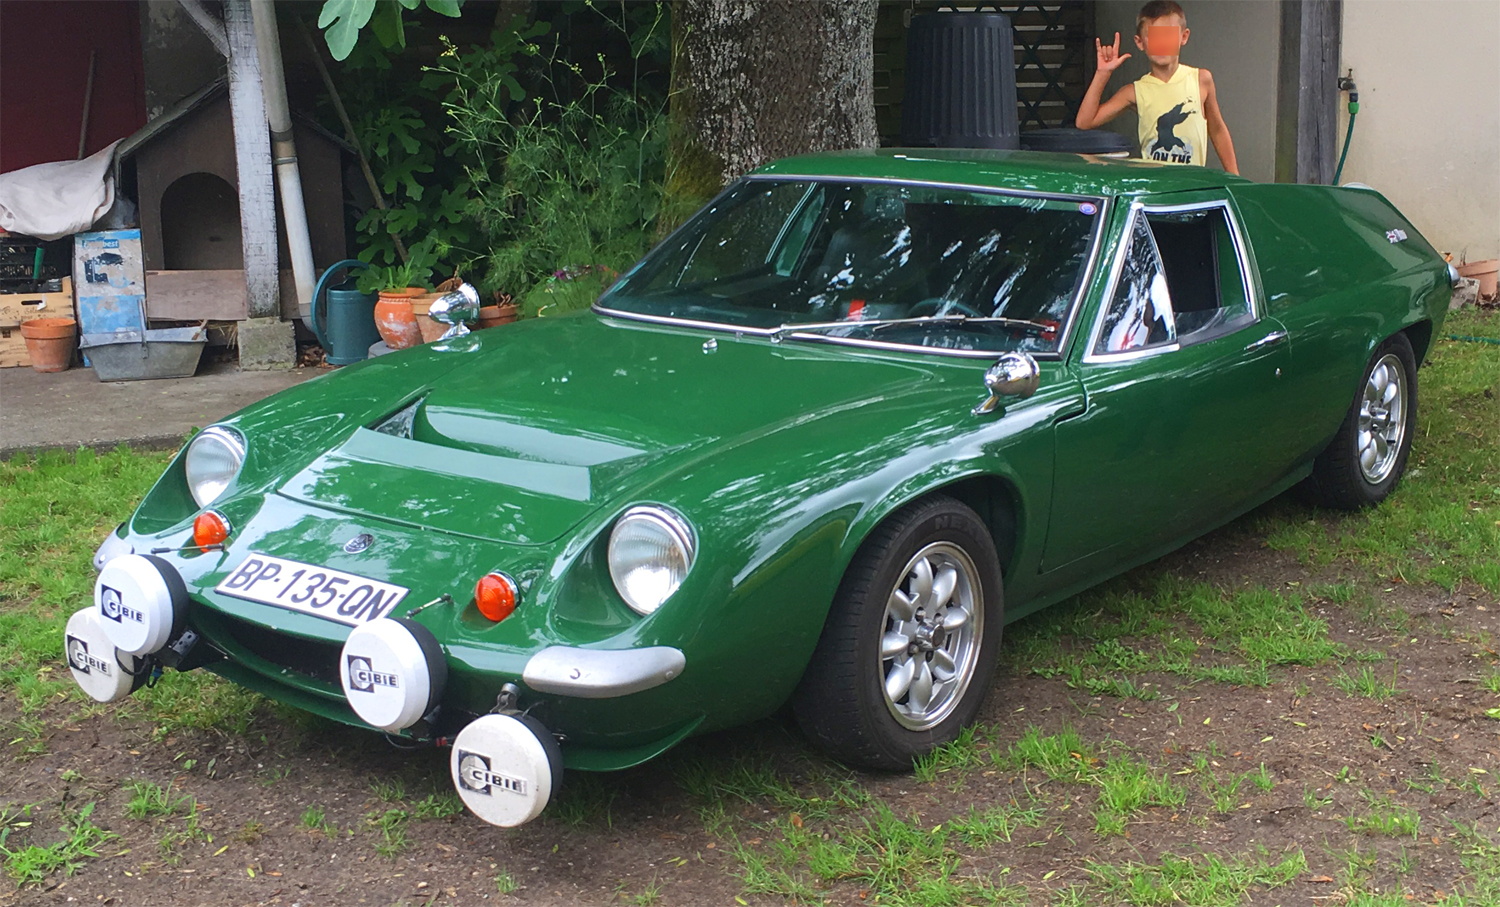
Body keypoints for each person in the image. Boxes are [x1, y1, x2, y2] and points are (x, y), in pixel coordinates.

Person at [1074, 0, 1239, 175]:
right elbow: (1085, 122)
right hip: (1155, 188)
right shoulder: (1135, 91)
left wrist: (1235, 177)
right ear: (1140, 42)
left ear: (1183, 37)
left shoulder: (1201, 79)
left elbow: (1217, 130)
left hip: (1192, 185)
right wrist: (1103, 73)